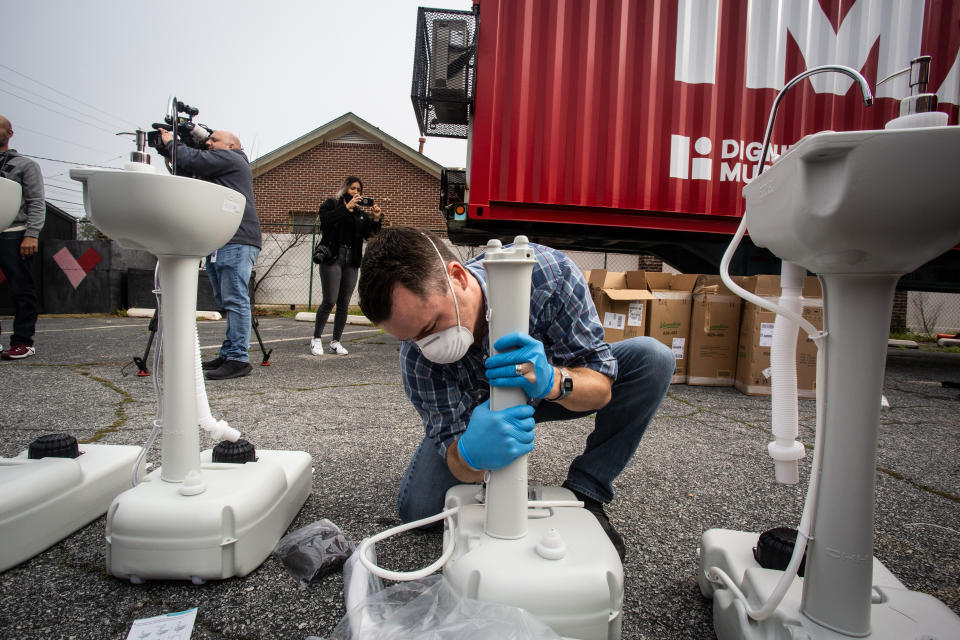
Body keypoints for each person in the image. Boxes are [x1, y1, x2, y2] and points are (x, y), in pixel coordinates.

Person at [357, 227, 675, 559]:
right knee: (420, 512)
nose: (429, 347)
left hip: (549, 386)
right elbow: (456, 456)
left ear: (458, 277)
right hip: (480, 418)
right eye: (412, 339)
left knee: (652, 360)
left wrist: (553, 380)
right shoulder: (417, 360)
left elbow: (600, 388)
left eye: (430, 327)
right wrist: (470, 454)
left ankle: (588, 489)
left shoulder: (547, 276)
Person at [158, 127, 260, 380]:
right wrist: (171, 152)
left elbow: (192, 159)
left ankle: (238, 358)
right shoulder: (219, 167)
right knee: (225, 299)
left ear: (232, 145)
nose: (209, 143)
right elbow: (186, 169)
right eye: (209, 139)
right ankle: (228, 353)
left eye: (215, 140)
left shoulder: (233, 159)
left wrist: (172, 142)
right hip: (221, 238)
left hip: (237, 238)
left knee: (235, 299)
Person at [310, 176, 382, 356]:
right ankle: (316, 339)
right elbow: (326, 222)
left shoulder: (360, 214)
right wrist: (346, 208)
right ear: (345, 189)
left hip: (352, 260)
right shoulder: (332, 204)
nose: (356, 193)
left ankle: (336, 341)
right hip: (333, 257)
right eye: (352, 189)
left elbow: (369, 236)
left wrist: (375, 219)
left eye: (359, 190)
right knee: (330, 300)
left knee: (344, 303)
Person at [0, 115, 45, 360]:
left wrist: (32, 234)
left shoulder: (25, 165)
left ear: (10, 133)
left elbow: (36, 202)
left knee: (21, 289)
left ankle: (23, 341)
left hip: (14, 233)